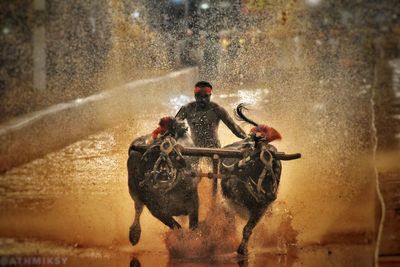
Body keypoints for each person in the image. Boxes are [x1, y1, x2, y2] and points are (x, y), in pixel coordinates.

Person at [176, 81, 247, 148]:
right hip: (194, 149)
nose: (202, 99)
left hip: (214, 149)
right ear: (195, 96)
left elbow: (234, 127)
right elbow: (172, 125)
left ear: (210, 95)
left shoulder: (217, 110)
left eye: (205, 96)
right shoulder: (187, 109)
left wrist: (248, 138)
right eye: (199, 96)